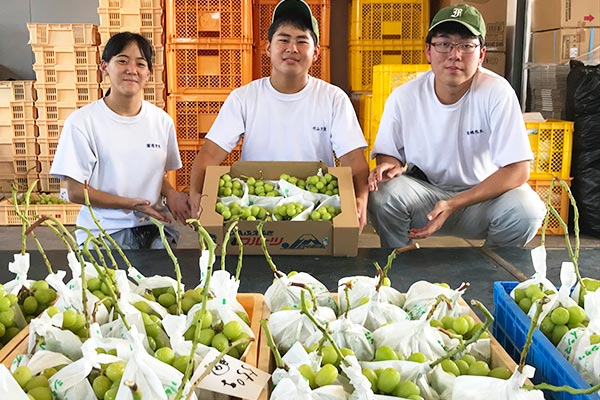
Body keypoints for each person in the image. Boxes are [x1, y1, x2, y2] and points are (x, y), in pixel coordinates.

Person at [368, 4, 546, 248]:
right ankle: (399, 263)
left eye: (466, 45)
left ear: (481, 54)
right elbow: (389, 154)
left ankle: (491, 268)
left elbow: (518, 170)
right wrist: (389, 165)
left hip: (482, 200)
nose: (455, 55)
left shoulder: (497, 92)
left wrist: (455, 203)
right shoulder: (404, 97)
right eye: (444, 44)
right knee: (381, 194)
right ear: (428, 51)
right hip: (425, 198)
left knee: (528, 210)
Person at [189, 0, 369, 232]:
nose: (292, 48)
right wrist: (196, 193)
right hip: (255, 206)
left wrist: (361, 199)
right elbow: (210, 153)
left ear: (315, 53)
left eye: (302, 41)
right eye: (283, 39)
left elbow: (354, 160)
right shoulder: (244, 98)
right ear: (268, 48)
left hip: (315, 208)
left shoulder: (333, 99)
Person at [50, 32, 190, 249]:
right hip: (103, 234)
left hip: (156, 230)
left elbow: (154, 175)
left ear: (149, 73)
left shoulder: (161, 121)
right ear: (104, 67)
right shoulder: (82, 122)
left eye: (141, 64)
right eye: (122, 61)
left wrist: (171, 194)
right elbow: (75, 191)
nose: (131, 70)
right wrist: (130, 204)